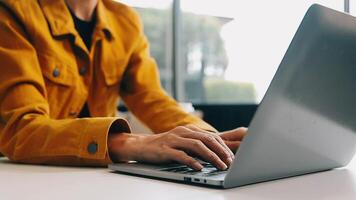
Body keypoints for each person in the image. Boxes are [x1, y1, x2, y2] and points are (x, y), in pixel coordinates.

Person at [0, 0, 247, 170]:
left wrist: (209, 140)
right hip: (28, 179)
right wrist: (130, 143)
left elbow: (152, 99)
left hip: (101, 177)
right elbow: (21, 130)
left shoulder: (124, 20)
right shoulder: (13, 10)